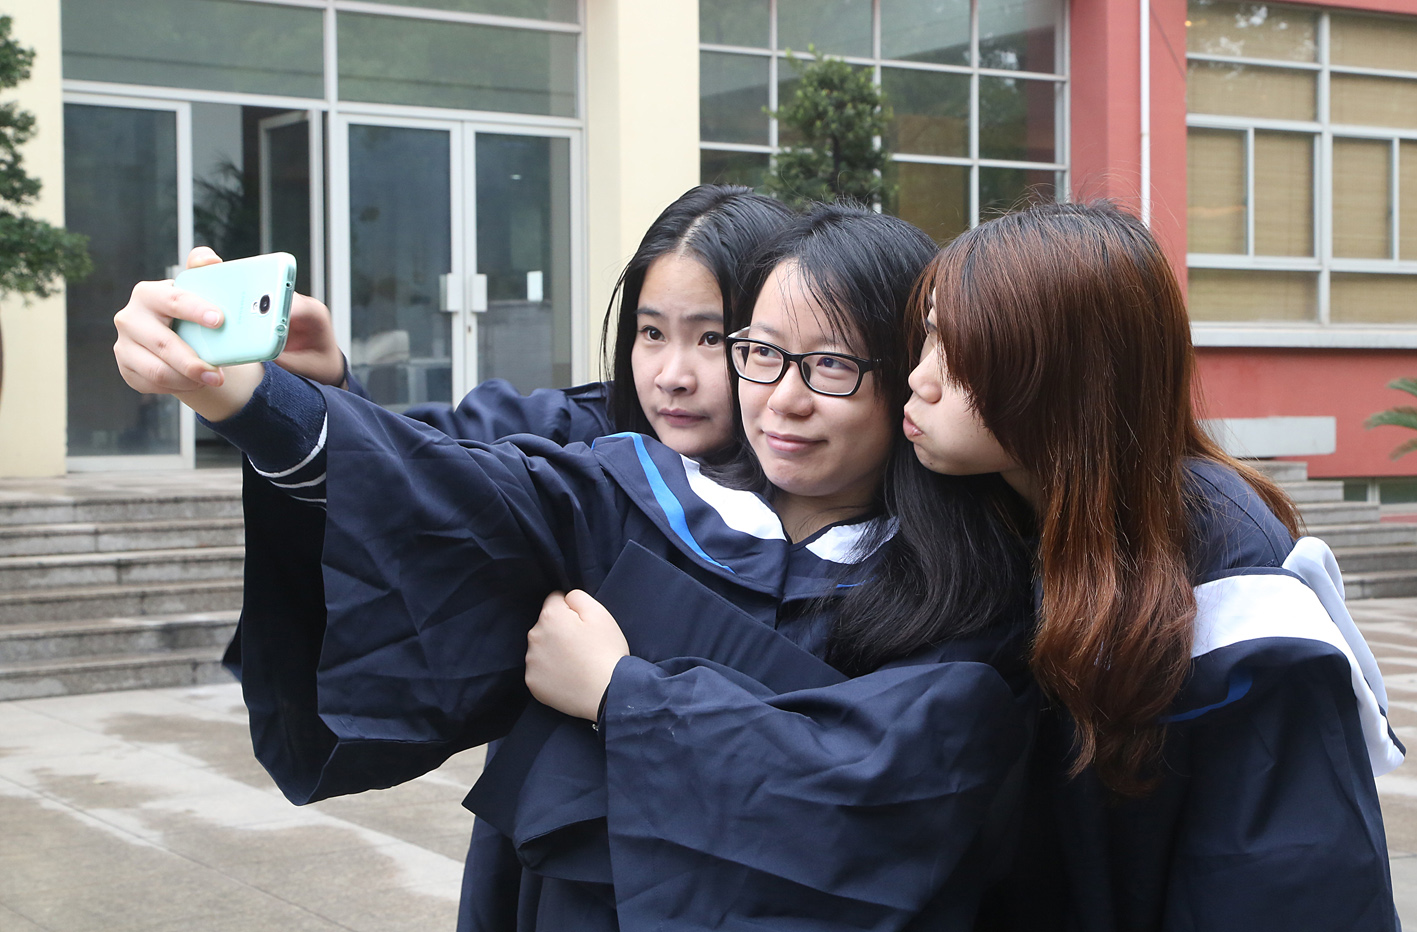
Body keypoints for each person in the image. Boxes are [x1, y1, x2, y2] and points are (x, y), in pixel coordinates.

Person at [114, 203, 1036, 931]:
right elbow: (442, 495)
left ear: (906, 380)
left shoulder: (969, 591)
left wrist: (620, 697)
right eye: (759, 353)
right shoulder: (625, 496)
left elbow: (878, 798)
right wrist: (248, 396)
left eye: (829, 365)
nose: (781, 399)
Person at [894, 201, 1403, 931]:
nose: (920, 378)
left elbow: (1287, 878)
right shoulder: (990, 515)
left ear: (1068, 375)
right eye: (929, 334)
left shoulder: (1225, 574)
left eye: (961, 350)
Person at [114, 184, 793, 461]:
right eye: (651, 333)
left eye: (710, 338)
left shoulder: (831, 510)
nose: (671, 376)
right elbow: (416, 463)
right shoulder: (576, 440)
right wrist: (307, 389)